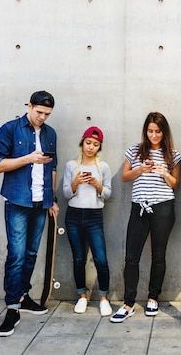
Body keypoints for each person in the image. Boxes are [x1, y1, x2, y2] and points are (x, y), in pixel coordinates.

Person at [0, 90, 59, 337]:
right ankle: (12, 308)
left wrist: (52, 199)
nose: (42, 117)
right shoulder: (9, 129)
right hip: (18, 201)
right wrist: (28, 158)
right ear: (29, 106)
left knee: (31, 253)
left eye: (47, 114)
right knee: (17, 254)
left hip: (42, 204)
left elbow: (53, 167)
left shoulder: (51, 133)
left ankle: (22, 295)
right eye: (39, 112)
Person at [110, 112, 181, 323]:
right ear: (145, 131)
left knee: (158, 255)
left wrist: (164, 173)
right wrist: (140, 169)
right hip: (139, 208)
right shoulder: (135, 150)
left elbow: (176, 184)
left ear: (164, 131)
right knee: (131, 257)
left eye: (158, 131)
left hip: (163, 208)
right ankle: (128, 303)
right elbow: (124, 177)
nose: (154, 135)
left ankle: (153, 298)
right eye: (150, 131)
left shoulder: (172, 154)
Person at [62, 126, 113, 317]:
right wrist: (75, 183)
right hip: (74, 215)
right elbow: (66, 194)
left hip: (94, 216)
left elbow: (108, 194)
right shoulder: (71, 166)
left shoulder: (103, 167)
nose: (90, 147)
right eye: (88, 143)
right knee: (78, 258)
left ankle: (103, 298)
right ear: (82, 143)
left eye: (95, 144)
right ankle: (81, 296)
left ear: (99, 147)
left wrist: (97, 184)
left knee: (101, 258)